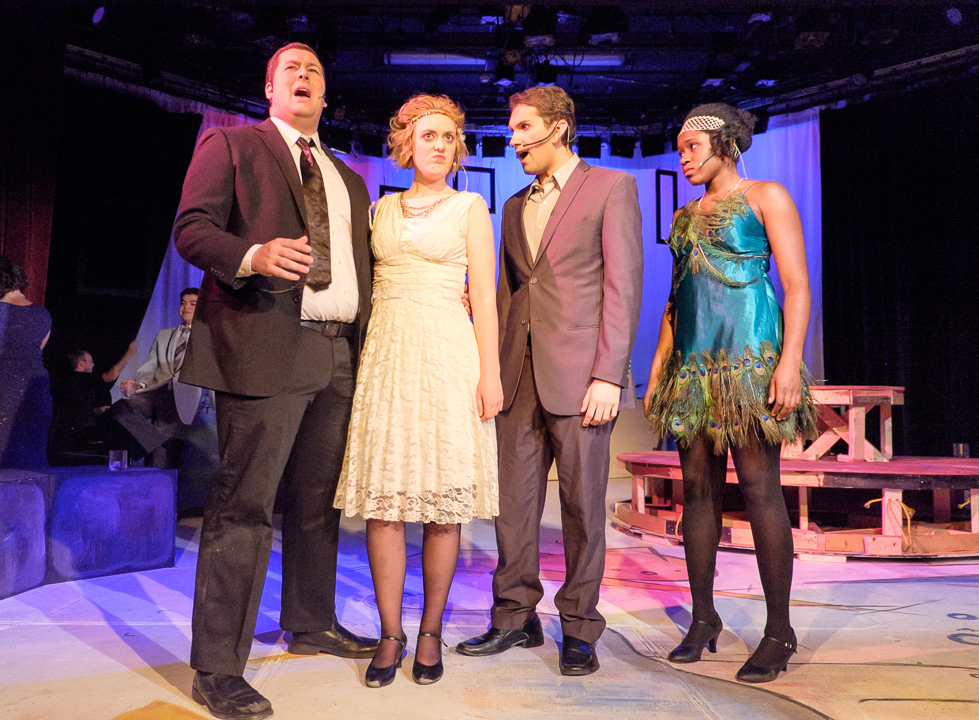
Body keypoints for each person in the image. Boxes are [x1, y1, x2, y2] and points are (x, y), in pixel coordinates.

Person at [172, 42, 377, 720]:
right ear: (269, 88)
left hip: (337, 353)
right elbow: (192, 230)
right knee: (244, 507)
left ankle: (310, 621)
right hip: (264, 347)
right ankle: (217, 667)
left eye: (315, 69)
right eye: (291, 67)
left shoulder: (348, 179)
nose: (304, 75)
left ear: (326, 94)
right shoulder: (233, 147)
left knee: (319, 504)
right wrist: (253, 254)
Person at [456, 86, 643, 676]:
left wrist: (608, 374)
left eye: (523, 128)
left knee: (582, 506)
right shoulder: (514, 205)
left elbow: (623, 287)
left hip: (583, 376)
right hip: (518, 376)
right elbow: (512, 292)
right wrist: (489, 364)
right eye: (512, 129)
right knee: (511, 507)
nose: (513, 140)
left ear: (559, 128)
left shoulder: (611, 186)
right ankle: (515, 617)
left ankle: (580, 628)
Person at [643, 103, 817, 683]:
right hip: (694, 370)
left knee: (762, 490)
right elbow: (677, 298)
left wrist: (789, 362)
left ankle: (779, 630)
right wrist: (658, 365)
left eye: (692, 147)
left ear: (725, 144)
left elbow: (796, 286)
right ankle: (703, 618)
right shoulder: (682, 217)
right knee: (697, 492)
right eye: (680, 149)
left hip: (750, 364)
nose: (684, 158)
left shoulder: (767, 197)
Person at [334, 94, 501, 688]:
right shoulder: (379, 210)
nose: (439, 145)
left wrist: (490, 373)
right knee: (385, 504)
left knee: (441, 503)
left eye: (449, 137)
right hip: (387, 357)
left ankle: (430, 630)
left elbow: (485, 298)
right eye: (428, 135)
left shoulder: (470, 207)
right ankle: (390, 633)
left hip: (448, 356)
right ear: (406, 144)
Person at [0, 255, 53, 471]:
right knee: (32, 464)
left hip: (3, 395)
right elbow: (34, 351)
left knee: (1, 465)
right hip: (37, 393)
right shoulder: (43, 314)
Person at [110, 288, 202, 468]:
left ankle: (161, 452)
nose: (186, 307)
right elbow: (150, 365)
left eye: (193, 304)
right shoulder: (164, 335)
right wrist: (140, 383)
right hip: (156, 391)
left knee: (161, 459)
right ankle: (161, 441)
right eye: (183, 303)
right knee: (121, 408)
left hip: (185, 392)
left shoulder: (209, 336)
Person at [49, 342, 136, 461]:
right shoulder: (77, 377)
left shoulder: (82, 383)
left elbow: (82, 409)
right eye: (91, 361)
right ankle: (122, 461)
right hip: (77, 432)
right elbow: (110, 376)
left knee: (122, 418)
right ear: (81, 363)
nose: (93, 364)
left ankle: (132, 455)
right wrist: (129, 353)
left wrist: (103, 410)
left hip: (82, 428)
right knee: (121, 420)